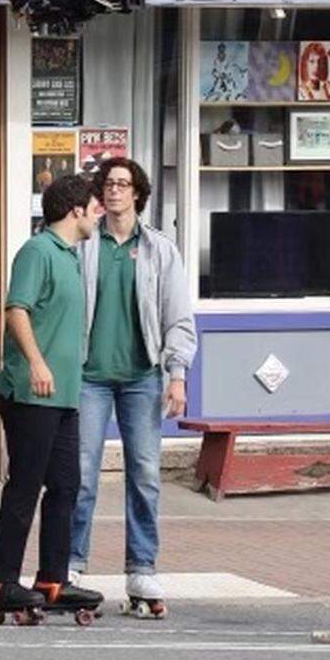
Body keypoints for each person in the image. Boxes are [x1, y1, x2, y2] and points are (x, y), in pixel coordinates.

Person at [70, 157, 197, 617]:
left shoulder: (160, 250)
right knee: (81, 475)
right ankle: (71, 565)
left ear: (139, 193)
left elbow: (178, 318)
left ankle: (142, 568)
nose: (115, 191)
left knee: (143, 475)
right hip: (89, 378)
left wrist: (177, 374)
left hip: (142, 378)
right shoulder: (84, 244)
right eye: (108, 184)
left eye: (124, 184)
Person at [0, 173, 104, 621]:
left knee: (67, 486)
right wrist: (36, 362)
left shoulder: (71, 256)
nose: (100, 212)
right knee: (25, 488)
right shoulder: (38, 252)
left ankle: (53, 579)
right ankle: (1, 582)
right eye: (94, 206)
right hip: (31, 393)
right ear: (75, 210)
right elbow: (17, 309)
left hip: (65, 395)